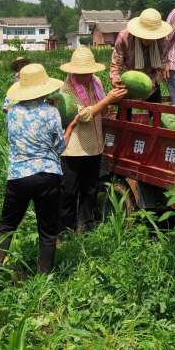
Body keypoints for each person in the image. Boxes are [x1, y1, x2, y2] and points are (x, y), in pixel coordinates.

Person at [0, 63, 82, 274]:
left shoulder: (11, 113)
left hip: (18, 176)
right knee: (48, 230)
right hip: (47, 175)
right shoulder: (51, 112)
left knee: (6, 225)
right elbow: (59, 147)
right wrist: (70, 127)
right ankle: (43, 275)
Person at [58, 47, 128, 233]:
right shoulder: (66, 90)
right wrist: (107, 101)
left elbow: (100, 106)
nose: (87, 75)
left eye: (89, 71)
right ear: (73, 71)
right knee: (69, 191)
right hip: (73, 148)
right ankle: (66, 230)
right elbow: (84, 115)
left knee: (90, 190)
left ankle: (86, 227)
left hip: (94, 146)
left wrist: (110, 103)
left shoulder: (95, 81)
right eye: (82, 72)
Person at [110, 8, 174, 102]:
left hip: (152, 80)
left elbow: (162, 65)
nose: (149, 39)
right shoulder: (124, 38)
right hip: (128, 81)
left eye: (152, 37)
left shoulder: (162, 41)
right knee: (124, 114)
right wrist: (115, 79)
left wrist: (152, 83)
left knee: (156, 111)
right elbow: (116, 64)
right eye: (146, 36)